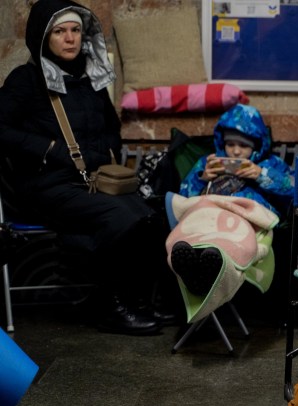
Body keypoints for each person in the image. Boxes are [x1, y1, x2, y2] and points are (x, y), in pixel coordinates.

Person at [0, 0, 175, 335]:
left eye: (76, 30)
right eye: (60, 32)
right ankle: (108, 303)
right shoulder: (26, 80)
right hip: (46, 185)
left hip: (90, 183)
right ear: (43, 37)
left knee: (149, 213)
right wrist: (49, 150)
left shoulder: (89, 79)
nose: (70, 39)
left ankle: (134, 297)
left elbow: (111, 127)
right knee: (121, 217)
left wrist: (107, 157)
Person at [165, 103, 294, 322]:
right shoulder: (208, 163)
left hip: (247, 222)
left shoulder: (271, 164)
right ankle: (202, 266)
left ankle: (207, 272)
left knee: (233, 243)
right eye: (230, 144)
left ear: (256, 145)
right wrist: (201, 177)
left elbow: (293, 190)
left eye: (243, 146)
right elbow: (185, 195)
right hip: (208, 219)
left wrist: (260, 174)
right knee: (192, 234)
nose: (235, 151)